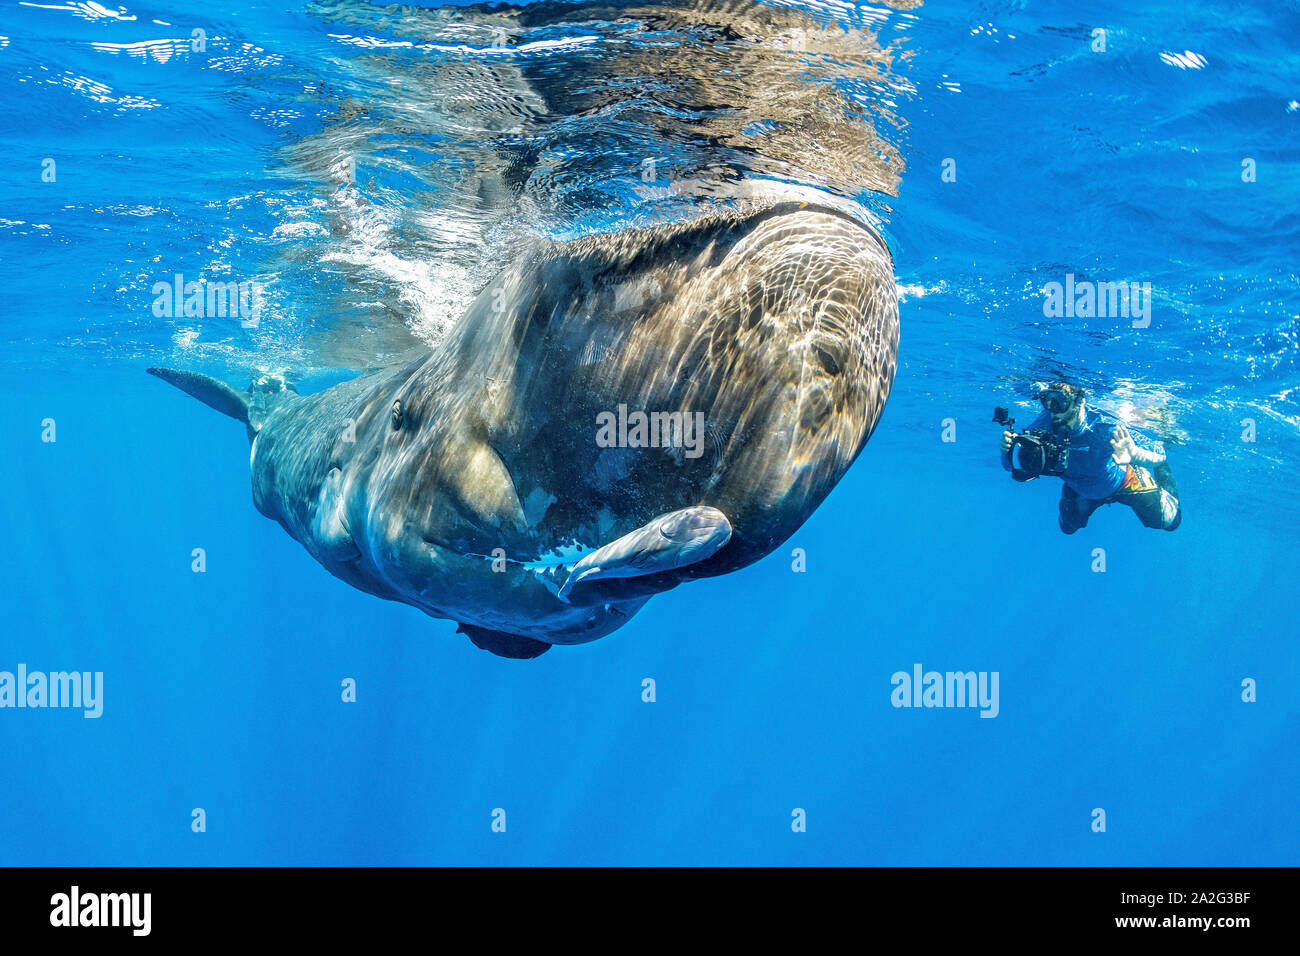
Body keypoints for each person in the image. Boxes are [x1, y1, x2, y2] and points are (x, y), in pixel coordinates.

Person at [1000, 383, 1181, 534]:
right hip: (1078, 488)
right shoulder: (1043, 426)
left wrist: (1134, 453)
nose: (1053, 411)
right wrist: (1005, 451)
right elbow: (1012, 469)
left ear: (1080, 401)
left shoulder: (1105, 426)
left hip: (1123, 480)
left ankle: (1147, 468)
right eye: (1047, 401)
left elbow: (1159, 454)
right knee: (1068, 527)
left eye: (1060, 401)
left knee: (1170, 520)